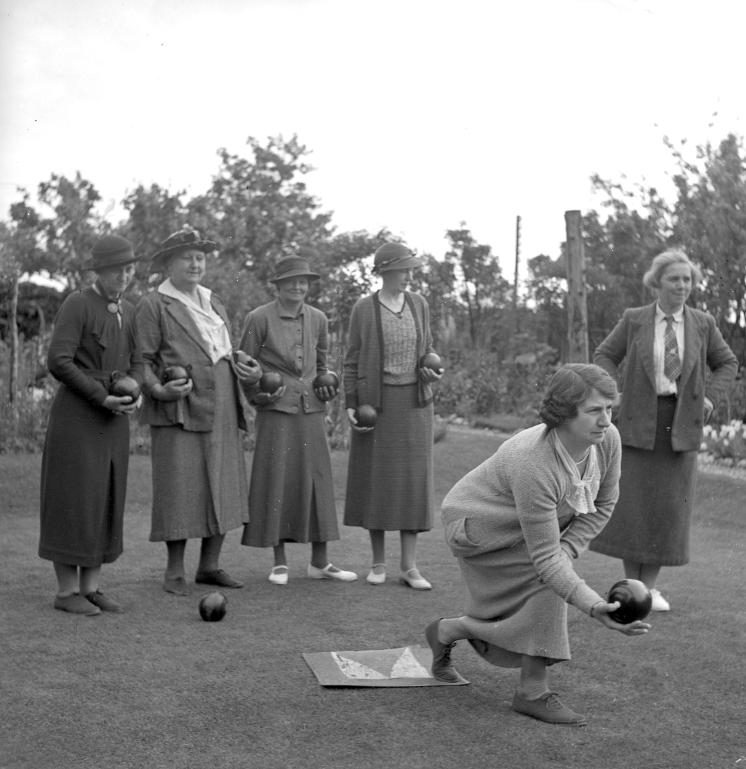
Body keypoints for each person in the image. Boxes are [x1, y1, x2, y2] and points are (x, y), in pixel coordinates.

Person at [427, 364, 651, 726]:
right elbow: (546, 560)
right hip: (478, 526)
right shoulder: (533, 462)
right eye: (595, 410)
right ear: (563, 413)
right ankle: (532, 693)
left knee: (551, 577)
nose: (606, 420)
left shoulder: (607, 441)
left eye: (610, 408)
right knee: (549, 581)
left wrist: (567, 550)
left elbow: (604, 504)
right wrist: (595, 606)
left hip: (521, 526)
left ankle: (448, 631)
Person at [590, 248, 738, 611]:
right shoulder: (635, 319)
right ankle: (632, 587)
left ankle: (648, 589)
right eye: (675, 278)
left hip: (681, 425)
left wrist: (709, 400)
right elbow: (604, 355)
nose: (682, 285)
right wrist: (614, 394)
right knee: (635, 507)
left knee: (666, 509)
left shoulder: (703, 323)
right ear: (657, 282)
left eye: (687, 279)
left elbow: (727, 363)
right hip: (639, 422)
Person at [135, 228, 262, 596]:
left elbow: (221, 349)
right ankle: (174, 571)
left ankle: (210, 566)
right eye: (186, 257)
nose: (194, 264)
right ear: (168, 264)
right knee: (179, 485)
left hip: (223, 398)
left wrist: (245, 365)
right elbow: (140, 361)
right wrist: (158, 388)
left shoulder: (214, 300)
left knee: (222, 482)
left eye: (200, 258)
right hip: (179, 405)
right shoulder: (154, 304)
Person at [39, 234, 144, 615]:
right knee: (74, 497)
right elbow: (59, 361)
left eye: (130, 268)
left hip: (114, 420)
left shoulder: (130, 310)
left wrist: (137, 393)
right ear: (100, 270)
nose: (125, 274)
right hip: (78, 417)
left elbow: (138, 362)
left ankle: (91, 587)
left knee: (105, 495)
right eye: (118, 268)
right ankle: (67, 592)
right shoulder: (78, 303)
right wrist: (101, 396)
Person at [238, 252, 357, 585]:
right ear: (279, 286)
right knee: (278, 479)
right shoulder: (259, 318)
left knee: (318, 480)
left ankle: (320, 562)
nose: (299, 286)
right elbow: (243, 365)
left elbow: (322, 365)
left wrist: (327, 383)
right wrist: (259, 395)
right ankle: (280, 563)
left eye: (304, 281)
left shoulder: (319, 318)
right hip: (276, 408)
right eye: (292, 281)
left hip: (311, 410)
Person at [343, 242, 442, 589]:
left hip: (415, 405)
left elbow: (427, 349)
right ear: (385, 271)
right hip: (377, 406)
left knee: (412, 484)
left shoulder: (419, 304)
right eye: (404, 270)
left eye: (411, 270)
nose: (409, 276)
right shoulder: (364, 309)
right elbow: (351, 359)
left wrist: (430, 370)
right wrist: (351, 403)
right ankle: (378, 563)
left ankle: (410, 567)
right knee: (378, 482)